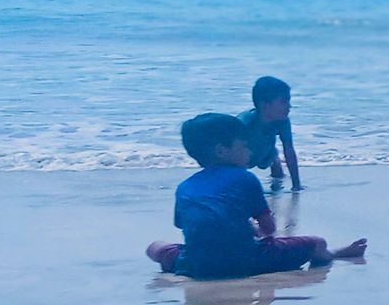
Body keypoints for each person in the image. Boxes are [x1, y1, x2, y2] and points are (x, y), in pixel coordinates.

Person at [146, 113, 366, 280]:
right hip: (246, 262)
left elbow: (190, 225)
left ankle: (170, 264)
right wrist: (255, 231)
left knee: (155, 246)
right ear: (222, 151)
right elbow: (268, 230)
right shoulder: (245, 178)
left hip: (196, 265)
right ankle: (333, 254)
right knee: (318, 242)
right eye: (244, 145)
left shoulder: (184, 187)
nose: (249, 151)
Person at [241, 75, 301, 191]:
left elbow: (289, 150)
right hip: (242, 155)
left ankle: (277, 181)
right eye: (284, 101)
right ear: (265, 104)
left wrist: (296, 184)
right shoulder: (245, 122)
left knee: (274, 161)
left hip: (267, 153)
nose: (289, 106)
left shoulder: (283, 121)